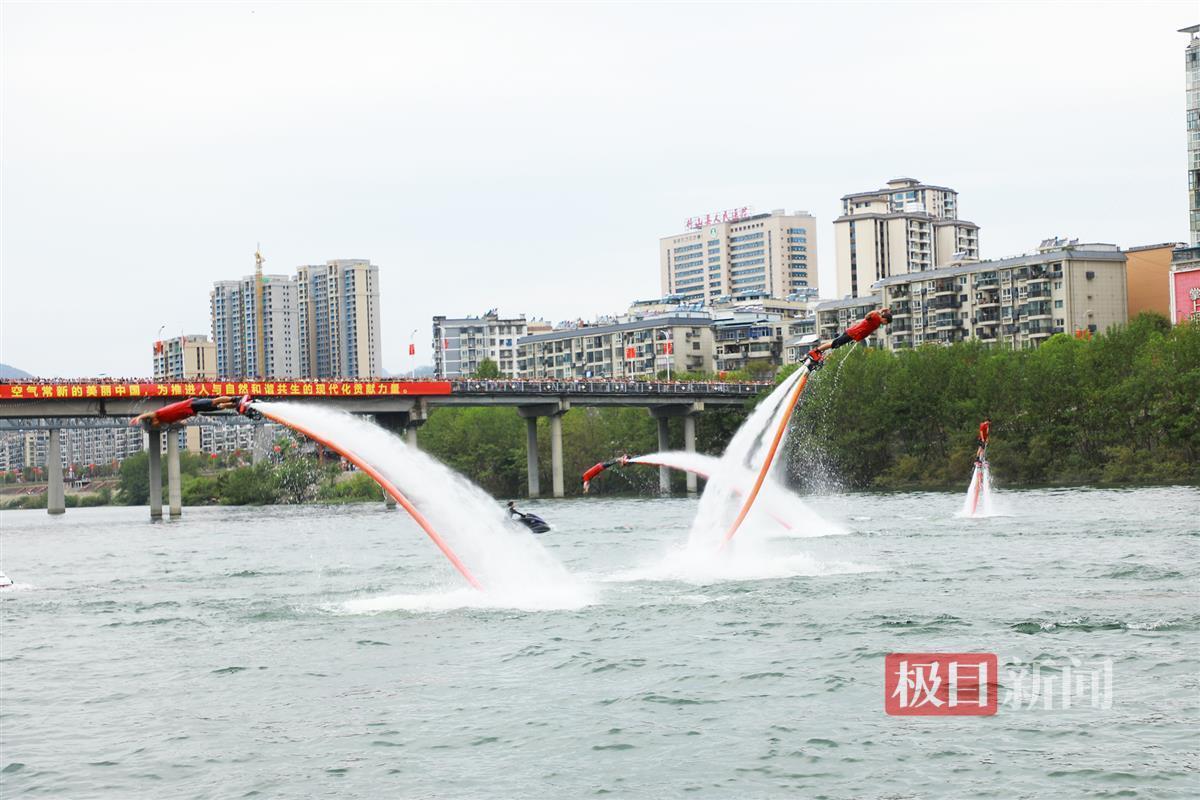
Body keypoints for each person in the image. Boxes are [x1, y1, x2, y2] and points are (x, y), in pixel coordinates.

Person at [802, 308, 894, 370]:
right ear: (885, 320)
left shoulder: (877, 321)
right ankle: (815, 351)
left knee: (836, 345)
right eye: (886, 323)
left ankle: (820, 357)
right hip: (852, 334)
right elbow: (868, 316)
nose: (885, 325)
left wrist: (882, 311)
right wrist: (880, 311)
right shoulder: (876, 318)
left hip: (853, 335)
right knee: (834, 344)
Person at [130, 396, 237, 428]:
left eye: (154, 424)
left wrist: (138, 418)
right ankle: (235, 405)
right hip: (193, 410)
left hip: (190, 404)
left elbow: (146, 414)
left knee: (214, 402)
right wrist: (182, 423)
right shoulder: (166, 422)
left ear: (153, 420)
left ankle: (234, 399)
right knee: (218, 408)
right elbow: (176, 420)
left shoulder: (157, 414)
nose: (156, 426)